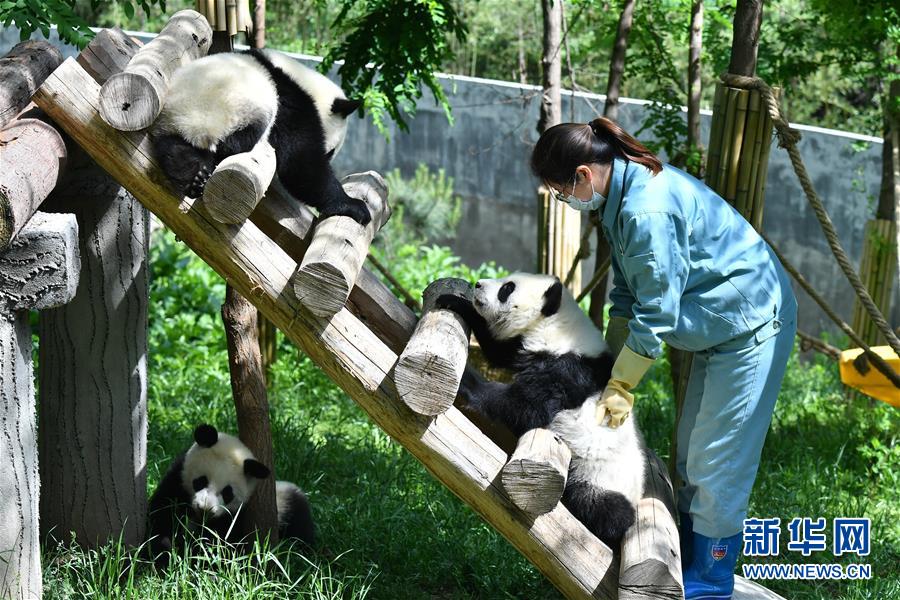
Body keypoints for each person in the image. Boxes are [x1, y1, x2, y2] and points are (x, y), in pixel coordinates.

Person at [530, 117, 797, 600]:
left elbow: (655, 316)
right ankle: (692, 559)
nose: (559, 198)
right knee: (692, 454)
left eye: (558, 188)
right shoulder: (620, 199)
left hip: (753, 322)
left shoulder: (646, 210)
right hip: (719, 326)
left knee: (718, 459)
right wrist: (602, 371)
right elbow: (628, 295)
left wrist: (622, 386)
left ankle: (711, 579)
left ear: (584, 176)